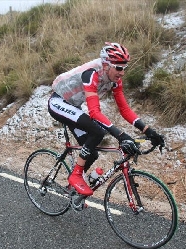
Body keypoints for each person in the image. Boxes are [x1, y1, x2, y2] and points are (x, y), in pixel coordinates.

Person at [48, 42, 165, 196]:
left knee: (92, 153)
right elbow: (94, 112)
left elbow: (124, 109)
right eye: (119, 67)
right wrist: (121, 135)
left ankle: (72, 189)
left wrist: (149, 131)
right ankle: (76, 175)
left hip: (74, 107)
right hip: (58, 102)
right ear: (106, 65)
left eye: (124, 68)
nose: (122, 72)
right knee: (97, 131)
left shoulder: (114, 80)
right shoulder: (91, 74)